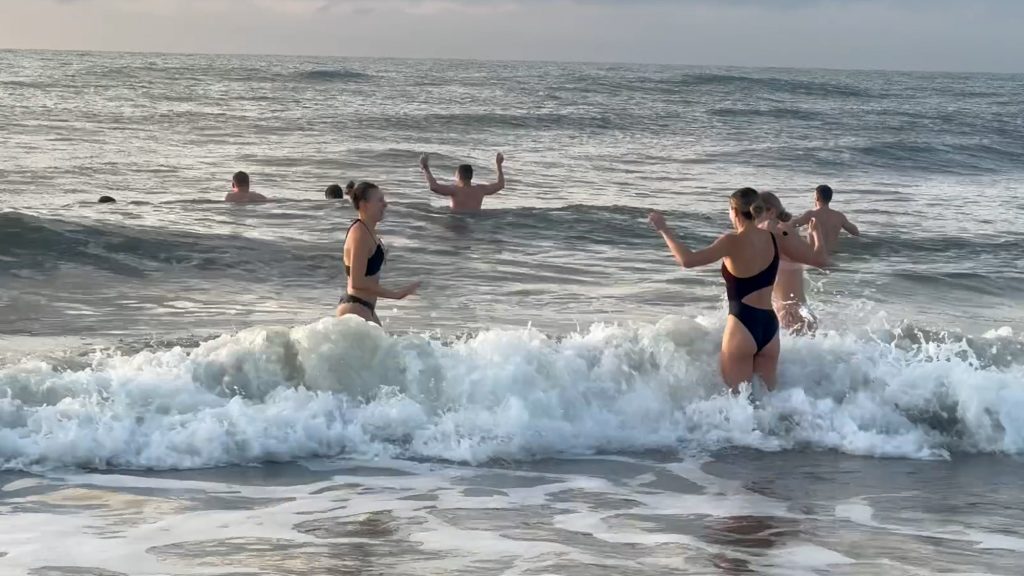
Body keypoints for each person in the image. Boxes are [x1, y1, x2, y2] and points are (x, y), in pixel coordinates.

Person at [648, 188, 827, 392]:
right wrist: (816, 234)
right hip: (769, 327)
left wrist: (664, 230)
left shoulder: (730, 242)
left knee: (735, 401)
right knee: (768, 400)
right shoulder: (775, 238)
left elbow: (687, 260)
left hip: (742, 326)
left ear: (734, 211)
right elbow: (819, 259)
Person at [337, 180, 420, 325]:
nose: (385, 204)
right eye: (380, 200)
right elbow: (357, 282)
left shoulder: (368, 231)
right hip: (355, 308)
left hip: (364, 308)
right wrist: (396, 294)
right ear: (364, 205)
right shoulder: (359, 233)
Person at [756, 192, 818, 334]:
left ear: (770, 212)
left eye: (755, 212)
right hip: (800, 315)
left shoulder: (777, 232)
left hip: (791, 317)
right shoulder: (788, 232)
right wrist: (814, 235)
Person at [419, 152, 505, 212]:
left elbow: (434, 187)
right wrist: (499, 165)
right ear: (471, 176)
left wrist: (425, 168)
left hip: (458, 220)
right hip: (475, 220)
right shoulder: (480, 190)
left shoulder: (455, 190)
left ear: (458, 176)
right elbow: (500, 184)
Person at [790, 184, 859, 254]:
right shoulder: (839, 216)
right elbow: (855, 232)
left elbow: (791, 225)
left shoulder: (811, 214)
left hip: (815, 254)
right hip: (832, 254)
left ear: (817, 197)